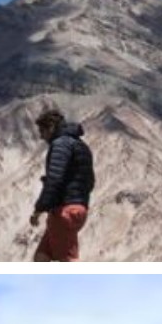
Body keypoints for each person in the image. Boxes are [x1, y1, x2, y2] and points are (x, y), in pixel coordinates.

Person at [29, 108, 95, 261]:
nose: (41, 136)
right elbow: (90, 182)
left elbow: (54, 180)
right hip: (78, 209)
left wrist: (39, 209)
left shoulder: (60, 145)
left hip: (63, 212)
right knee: (41, 257)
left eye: (42, 131)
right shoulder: (81, 145)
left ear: (51, 127)